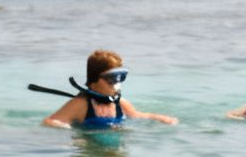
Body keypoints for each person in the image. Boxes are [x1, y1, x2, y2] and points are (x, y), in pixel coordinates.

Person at [42, 50, 178, 129]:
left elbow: (138, 115)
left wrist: (161, 118)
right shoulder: (81, 104)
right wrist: (72, 135)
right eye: (111, 78)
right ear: (94, 80)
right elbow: (49, 122)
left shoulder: (120, 103)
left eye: (121, 77)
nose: (116, 83)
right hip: (91, 150)